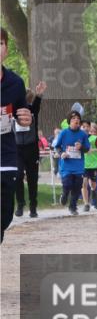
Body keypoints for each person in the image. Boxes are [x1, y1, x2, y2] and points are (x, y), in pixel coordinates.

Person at [1, 27, 33, 240]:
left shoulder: (16, 83)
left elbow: (23, 115)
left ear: (6, 48)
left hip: (6, 155)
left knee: (4, 215)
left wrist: (26, 118)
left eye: (0, 43)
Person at [14, 81, 46, 218]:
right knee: (18, 176)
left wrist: (39, 94)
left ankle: (33, 206)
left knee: (32, 179)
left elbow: (37, 105)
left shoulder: (32, 110)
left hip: (31, 148)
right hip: (16, 149)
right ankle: (20, 204)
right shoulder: (11, 109)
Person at [52, 110, 89, 216]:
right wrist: (62, 153)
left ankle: (73, 207)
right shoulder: (64, 133)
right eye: (73, 118)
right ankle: (64, 194)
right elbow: (57, 146)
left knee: (77, 187)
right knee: (67, 184)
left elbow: (87, 149)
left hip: (78, 166)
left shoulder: (83, 134)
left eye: (78, 118)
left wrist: (81, 147)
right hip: (66, 165)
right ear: (69, 121)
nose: (76, 120)